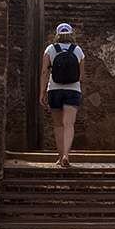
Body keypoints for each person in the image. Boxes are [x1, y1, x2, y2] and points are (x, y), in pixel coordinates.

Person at [39, 22, 85, 167]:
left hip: (54, 90)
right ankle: (66, 155)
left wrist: (42, 92)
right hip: (73, 90)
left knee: (58, 125)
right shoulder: (78, 50)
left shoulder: (50, 49)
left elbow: (44, 72)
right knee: (69, 124)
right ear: (71, 34)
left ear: (57, 35)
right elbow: (82, 76)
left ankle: (59, 157)